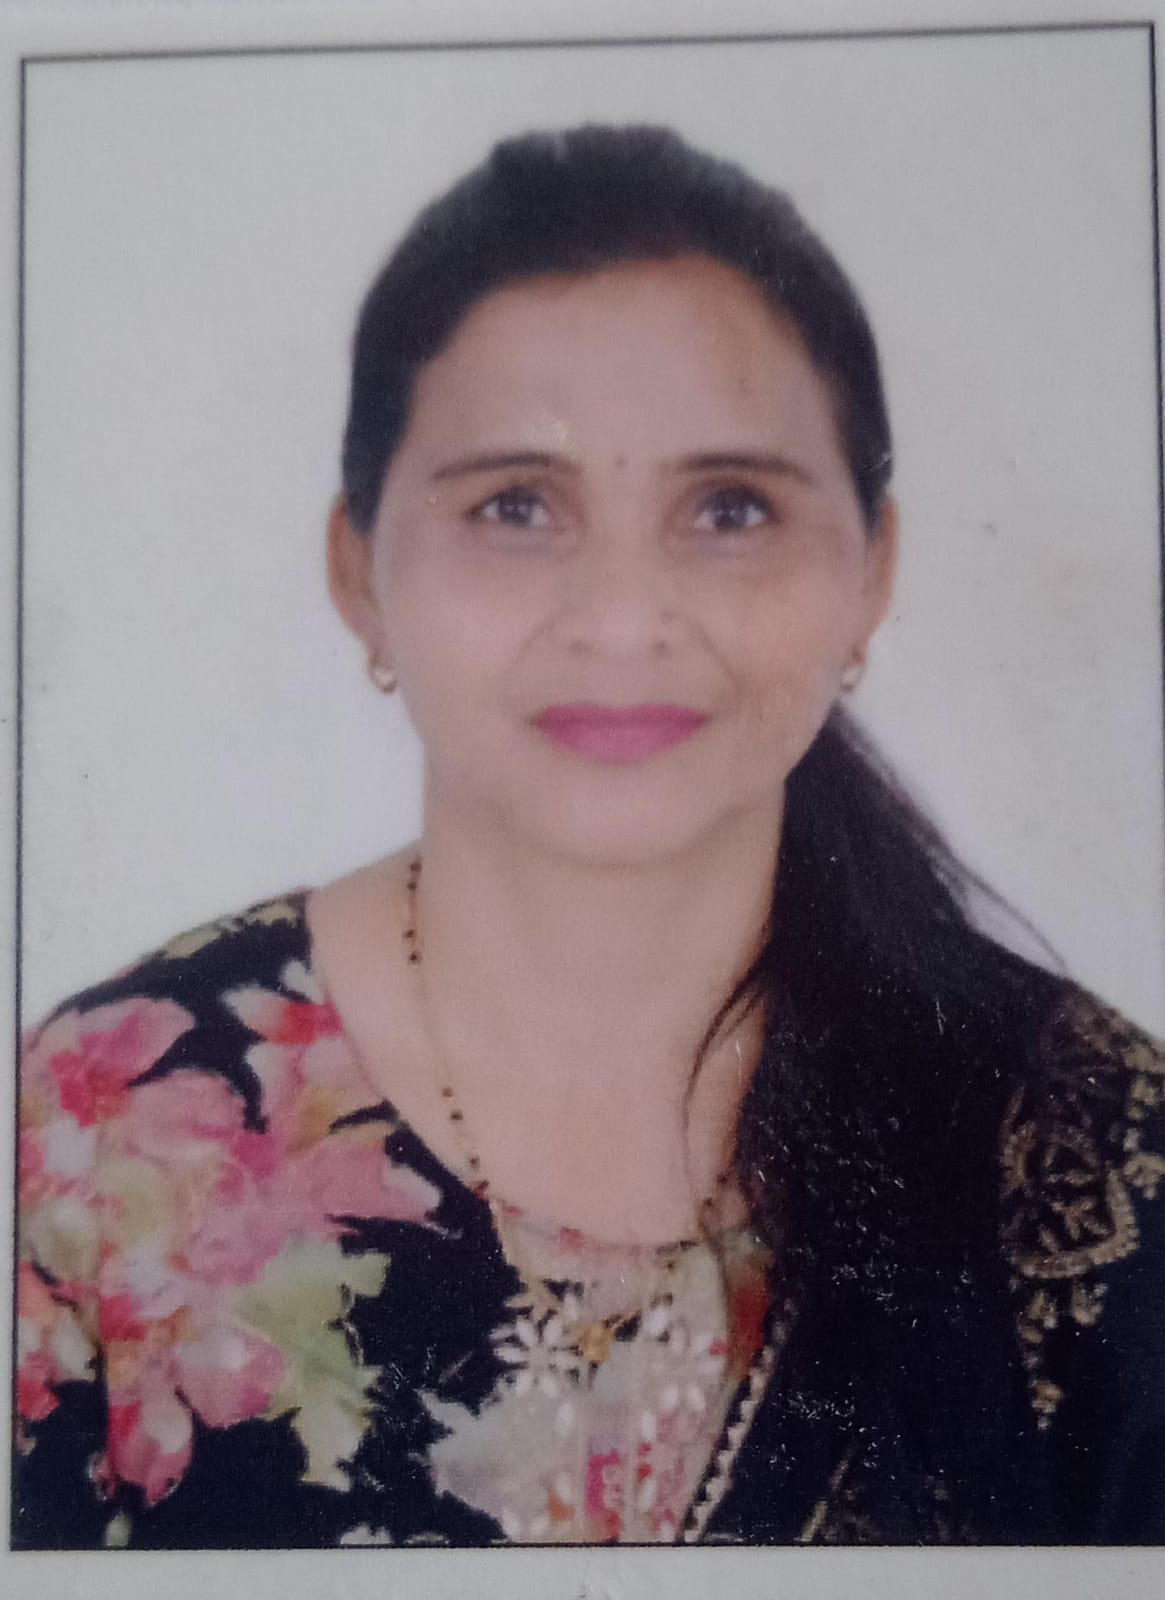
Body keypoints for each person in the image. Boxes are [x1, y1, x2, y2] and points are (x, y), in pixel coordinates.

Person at [13, 123, 1165, 1550]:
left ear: (871, 572)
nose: (623, 619)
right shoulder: (107, 1139)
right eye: (516, 506)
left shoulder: (1088, 1152)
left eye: (729, 508)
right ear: (358, 571)